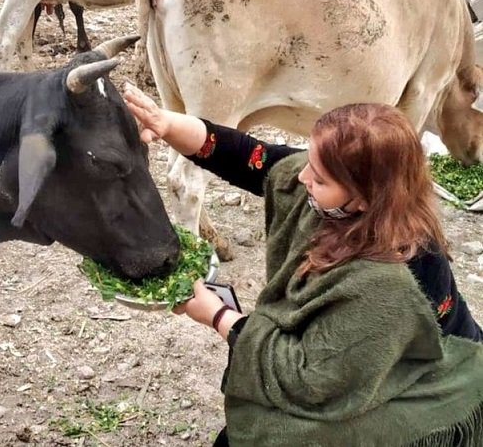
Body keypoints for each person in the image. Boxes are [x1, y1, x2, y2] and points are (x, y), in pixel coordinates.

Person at [123, 83, 483, 447]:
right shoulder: (347, 186)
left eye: (320, 178)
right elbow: (248, 157)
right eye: (311, 161)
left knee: (277, 432)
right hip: (358, 347)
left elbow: (310, 378)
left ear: (364, 198)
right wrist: (166, 123)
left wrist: (218, 316)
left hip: (424, 378)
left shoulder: (391, 278)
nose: (302, 177)